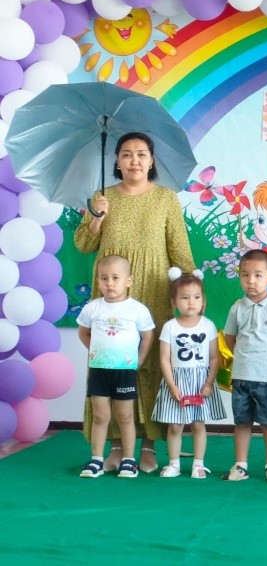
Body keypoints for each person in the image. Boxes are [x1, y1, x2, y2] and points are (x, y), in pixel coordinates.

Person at [75, 131, 195, 474]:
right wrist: (97, 217)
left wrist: (188, 288)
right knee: (112, 362)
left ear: (152, 160)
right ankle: (115, 446)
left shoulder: (166, 198)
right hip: (111, 290)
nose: (134, 160)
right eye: (126, 154)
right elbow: (83, 245)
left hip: (154, 288)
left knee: (151, 362)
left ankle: (149, 446)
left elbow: (179, 247)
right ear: (116, 160)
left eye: (141, 153)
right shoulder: (102, 197)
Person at [222, 249, 267, 483]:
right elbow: (229, 337)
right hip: (242, 376)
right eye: (245, 275)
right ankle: (240, 466)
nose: (251, 281)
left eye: (257, 275)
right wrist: (244, 358)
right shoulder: (237, 308)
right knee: (242, 423)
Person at [77, 255, 154, 479]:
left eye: (115, 278)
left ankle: (129, 460)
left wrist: (139, 360)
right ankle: (96, 460)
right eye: (104, 278)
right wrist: (98, 352)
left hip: (124, 372)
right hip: (99, 371)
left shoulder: (137, 310)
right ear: (98, 281)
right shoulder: (92, 308)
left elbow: (147, 336)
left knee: (125, 416)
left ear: (128, 281)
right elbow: (84, 333)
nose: (109, 283)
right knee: (101, 416)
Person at [152, 270, 227, 479]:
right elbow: (164, 359)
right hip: (176, 382)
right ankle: (174, 464)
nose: (191, 302)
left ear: (203, 302)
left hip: (200, 382)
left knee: (198, 424)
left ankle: (198, 464)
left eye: (196, 297)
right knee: (175, 425)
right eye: (184, 298)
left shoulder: (208, 325)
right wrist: (172, 385)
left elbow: (214, 358)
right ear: (174, 302)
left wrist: (209, 383)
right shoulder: (169, 327)